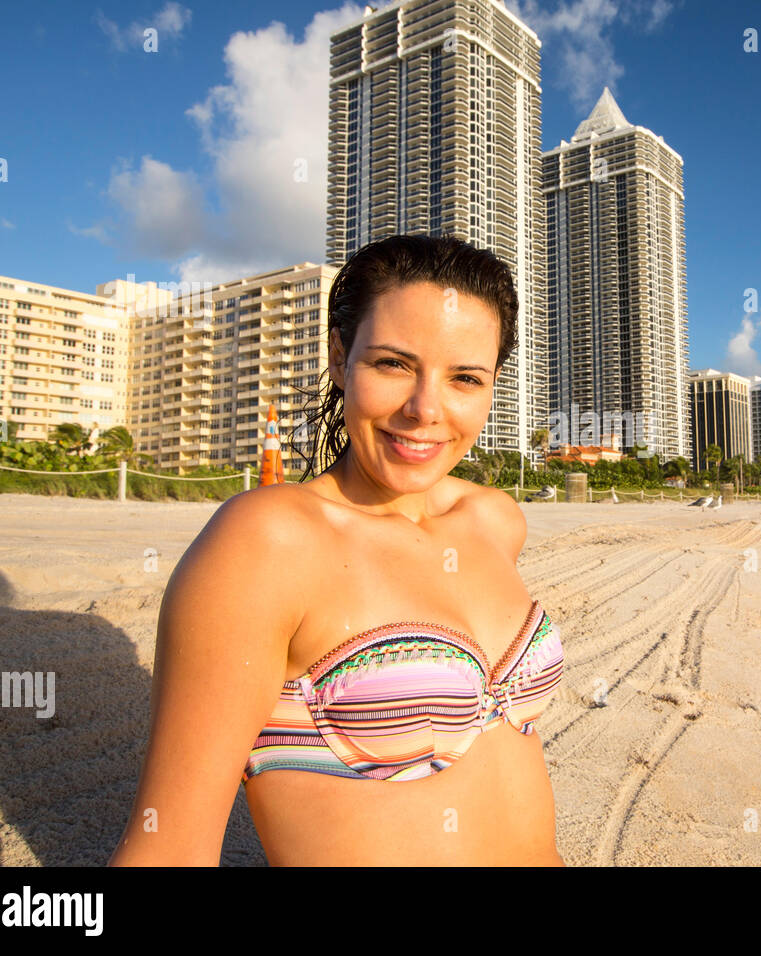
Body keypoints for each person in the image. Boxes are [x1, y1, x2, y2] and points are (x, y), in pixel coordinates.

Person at [109, 235, 565, 866]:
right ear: (338, 356)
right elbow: (170, 848)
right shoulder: (270, 541)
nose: (425, 409)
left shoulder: (493, 520)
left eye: (465, 378)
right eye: (392, 365)